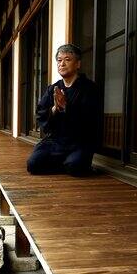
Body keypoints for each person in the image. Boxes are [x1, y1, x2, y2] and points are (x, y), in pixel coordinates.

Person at [26, 44, 102, 176]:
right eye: (59, 60)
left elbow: (90, 118)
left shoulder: (89, 88)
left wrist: (67, 107)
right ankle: (65, 164)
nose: (62, 64)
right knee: (33, 164)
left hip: (80, 141)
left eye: (67, 59)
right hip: (56, 141)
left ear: (78, 64)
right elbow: (41, 113)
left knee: (75, 167)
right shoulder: (53, 89)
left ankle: (71, 164)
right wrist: (55, 108)